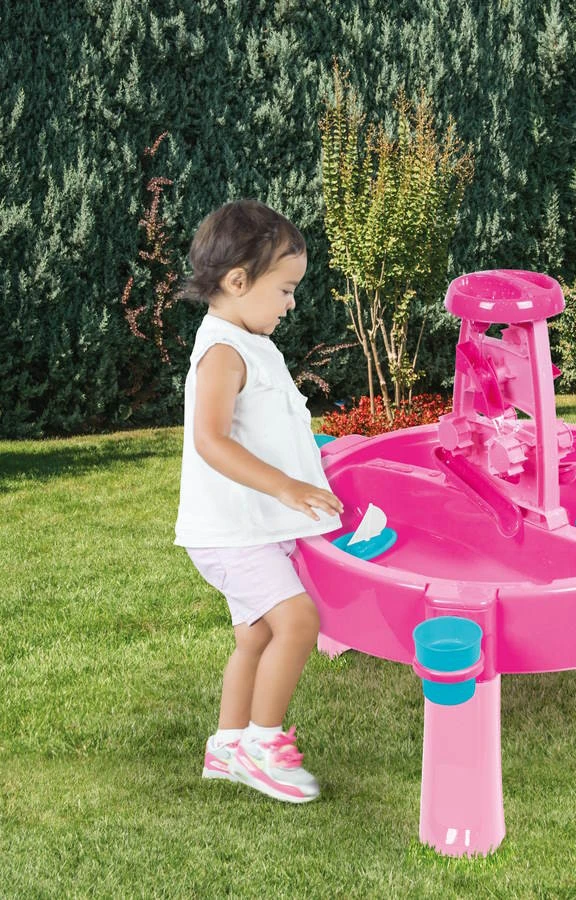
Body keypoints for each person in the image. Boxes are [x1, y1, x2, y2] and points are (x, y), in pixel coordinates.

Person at [174, 199, 344, 803]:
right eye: (286, 290)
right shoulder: (222, 352)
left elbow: (267, 424)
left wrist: (313, 455)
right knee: (297, 622)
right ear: (238, 282)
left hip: (247, 529)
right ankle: (262, 747)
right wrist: (286, 486)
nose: (291, 303)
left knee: (254, 638)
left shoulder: (249, 339)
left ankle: (226, 746)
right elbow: (212, 440)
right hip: (232, 533)